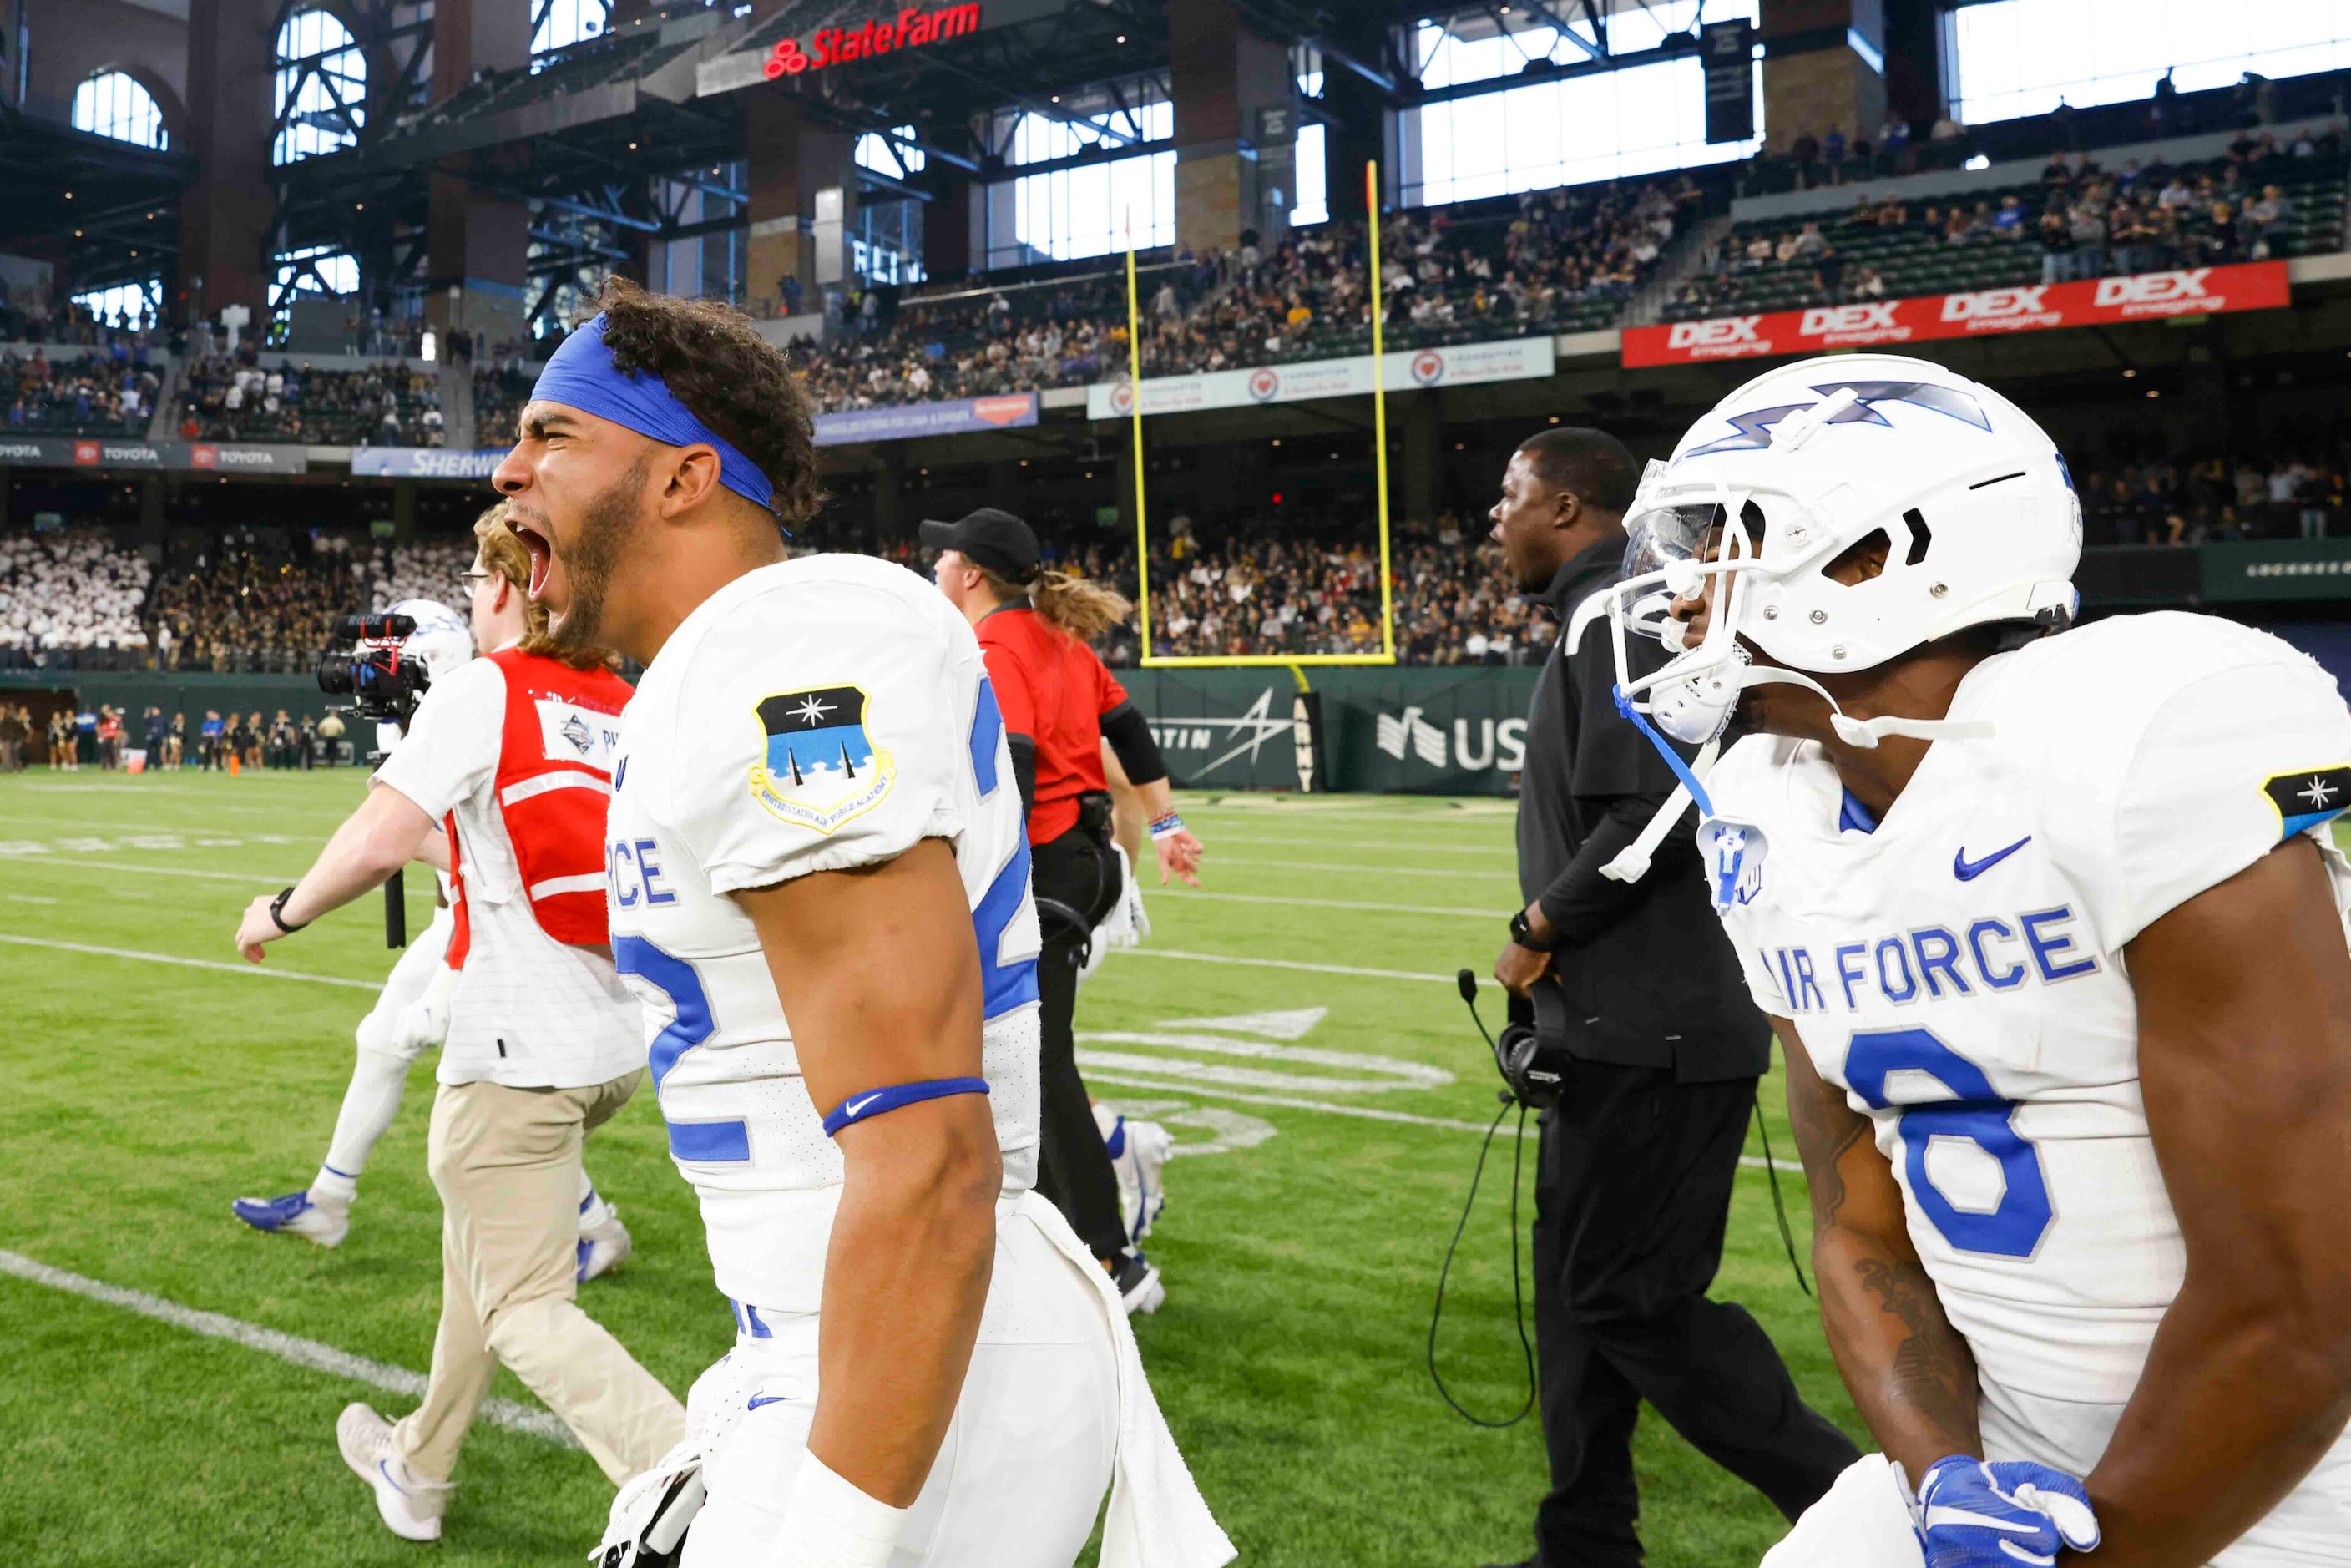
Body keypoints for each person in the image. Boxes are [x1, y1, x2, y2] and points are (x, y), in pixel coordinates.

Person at [494, 280, 1228, 1568]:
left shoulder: (782, 654)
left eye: (553, 432)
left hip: (925, 1363)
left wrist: (833, 1536)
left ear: (681, 477)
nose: (508, 468)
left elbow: (928, 1159)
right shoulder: (740, 657)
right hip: (860, 1340)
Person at [1605, 355, 2351, 1565]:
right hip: (2004, 1476)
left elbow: (2307, 1302)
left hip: (2287, 1495)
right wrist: (1948, 1475)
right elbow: (1860, 1227)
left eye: (1728, 534)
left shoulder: (2136, 737)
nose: (1682, 587)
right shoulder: (1761, 808)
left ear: (1876, 555)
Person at [231, 508, 683, 1543]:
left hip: (519, 1049)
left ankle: (689, 1472)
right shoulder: (624, 701)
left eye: (480, 582)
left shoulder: (492, 687)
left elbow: (383, 836)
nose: (470, 601)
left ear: (510, 589)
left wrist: (284, 909)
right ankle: (418, 1467)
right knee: (477, 1260)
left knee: (523, 1304)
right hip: (613, 1043)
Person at [1484, 426, 1858, 1568]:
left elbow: (1660, 805)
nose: (1495, 517)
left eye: (1511, 493)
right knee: (1578, 1297)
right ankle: (1585, 1542)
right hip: (1627, 1021)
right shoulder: (1622, 611)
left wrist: (1540, 924)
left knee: (1628, 1299)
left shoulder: (1622, 612)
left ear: (1565, 506)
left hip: (1653, 1025)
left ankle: (1860, 1497)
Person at [231, 588, 635, 1286]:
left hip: (495, 929)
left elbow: (481, 857)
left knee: (487, 1099)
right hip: (465, 918)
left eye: (382, 664)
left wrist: (298, 902)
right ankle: (330, 1198)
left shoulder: (480, 703)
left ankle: (592, 1228)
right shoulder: (465, 703)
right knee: (380, 1041)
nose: (367, 678)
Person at [923, 505, 1203, 1313]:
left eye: (943, 560)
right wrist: (1167, 820)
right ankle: (1069, 1232)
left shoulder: (996, 644)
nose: (935, 571)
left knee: (1030, 1064)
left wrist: (969, 873)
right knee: (1021, 1059)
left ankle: (1105, 1255)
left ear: (969, 572)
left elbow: (1007, 763)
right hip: (1084, 861)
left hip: (1043, 864)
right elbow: (1128, 726)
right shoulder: (1056, 639)